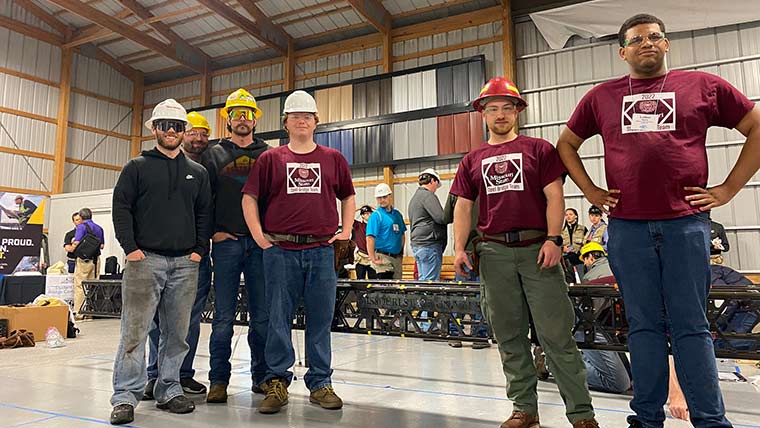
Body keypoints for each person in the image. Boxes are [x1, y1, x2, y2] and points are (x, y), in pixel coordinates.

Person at [556, 13, 760, 428]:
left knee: (692, 326)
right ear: (622, 52)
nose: (646, 43)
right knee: (645, 327)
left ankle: (711, 420)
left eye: (654, 37)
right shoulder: (601, 96)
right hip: (628, 228)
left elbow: (756, 128)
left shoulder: (703, 86)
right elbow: (566, 145)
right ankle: (645, 419)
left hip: (685, 224)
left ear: (666, 44)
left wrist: (727, 190)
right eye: (636, 39)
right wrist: (592, 191)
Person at [451, 76, 598, 428]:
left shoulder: (539, 149)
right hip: (494, 253)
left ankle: (581, 414)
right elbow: (462, 207)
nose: (500, 114)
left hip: (537, 249)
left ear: (517, 111)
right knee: (508, 334)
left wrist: (553, 238)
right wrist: (458, 248)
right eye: (492, 108)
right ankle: (524, 409)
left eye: (506, 107)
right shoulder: (472, 159)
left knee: (556, 335)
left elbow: (554, 196)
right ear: (482, 114)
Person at [241, 90, 355, 414]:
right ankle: (277, 381)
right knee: (278, 318)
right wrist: (260, 238)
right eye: (295, 116)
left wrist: (345, 232)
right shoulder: (271, 159)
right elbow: (248, 198)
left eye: (307, 116)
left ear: (316, 122)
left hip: (321, 251)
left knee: (320, 320)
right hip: (279, 251)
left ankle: (320, 382)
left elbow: (348, 196)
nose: (302, 120)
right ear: (286, 123)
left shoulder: (333, 158)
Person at [109, 98, 212, 425]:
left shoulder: (197, 172)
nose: (171, 130)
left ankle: (169, 387)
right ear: (154, 129)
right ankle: (125, 395)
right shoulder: (136, 167)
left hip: (185, 263)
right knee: (134, 332)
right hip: (145, 261)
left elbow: (204, 214)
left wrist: (198, 251)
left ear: (184, 132)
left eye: (178, 126)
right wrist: (131, 249)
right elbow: (121, 208)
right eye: (165, 125)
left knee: (177, 332)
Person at [200, 89, 271, 403]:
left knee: (262, 316)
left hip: (259, 246)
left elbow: (276, 199)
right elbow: (203, 200)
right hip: (226, 244)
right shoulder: (212, 154)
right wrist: (213, 231)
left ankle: (262, 377)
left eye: (247, 113)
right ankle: (218, 381)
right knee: (223, 317)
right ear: (226, 118)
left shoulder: (268, 155)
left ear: (255, 118)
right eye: (236, 113)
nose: (242, 119)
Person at [143, 111, 214, 399]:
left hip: (194, 257)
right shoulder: (152, 164)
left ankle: (182, 375)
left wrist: (200, 250)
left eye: (203, 133)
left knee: (190, 319)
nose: (198, 138)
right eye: (193, 132)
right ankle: (154, 375)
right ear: (184, 134)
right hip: (156, 256)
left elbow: (207, 212)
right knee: (155, 320)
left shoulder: (211, 167)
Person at [408, 168, 447, 280]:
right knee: (431, 283)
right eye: (436, 185)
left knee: (423, 281)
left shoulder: (415, 198)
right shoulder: (428, 196)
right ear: (432, 181)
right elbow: (440, 218)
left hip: (418, 245)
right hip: (429, 244)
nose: (436, 189)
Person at [366, 183, 406, 279]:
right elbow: (370, 238)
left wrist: (400, 252)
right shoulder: (376, 216)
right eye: (379, 198)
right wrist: (372, 258)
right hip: (382, 258)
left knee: (397, 289)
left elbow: (402, 234)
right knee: (385, 290)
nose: (382, 200)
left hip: (396, 258)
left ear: (389, 196)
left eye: (384, 197)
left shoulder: (397, 215)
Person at [71, 207, 104, 320]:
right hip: (96, 261)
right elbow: (102, 246)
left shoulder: (81, 227)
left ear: (80, 217)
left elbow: (76, 243)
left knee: (80, 285)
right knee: (92, 286)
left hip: (84, 260)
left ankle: (80, 313)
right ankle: (89, 313)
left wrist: (73, 244)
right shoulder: (99, 228)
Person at [352, 205, 377, 279]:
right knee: (360, 280)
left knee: (373, 281)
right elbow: (348, 216)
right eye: (366, 213)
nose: (369, 215)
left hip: (372, 257)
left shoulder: (375, 226)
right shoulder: (358, 225)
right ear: (362, 215)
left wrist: (373, 208)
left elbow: (382, 215)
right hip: (361, 257)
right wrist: (358, 209)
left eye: (370, 213)